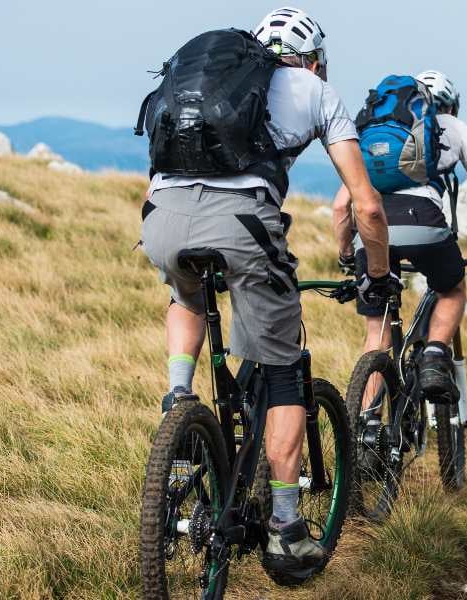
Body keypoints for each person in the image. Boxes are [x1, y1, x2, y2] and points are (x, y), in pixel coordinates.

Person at [140, 7, 394, 577]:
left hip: (161, 220)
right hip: (242, 226)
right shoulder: (314, 90)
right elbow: (367, 205)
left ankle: (178, 398)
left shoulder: (203, 83)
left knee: (186, 297)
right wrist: (375, 274)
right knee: (284, 372)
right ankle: (285, 529)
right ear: (315, 59)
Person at [333, 69, 467, 402]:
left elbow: (339, 208)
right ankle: (436, 354)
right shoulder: (455, 127)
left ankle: (366, 427)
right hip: (425, 221)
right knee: (452, 287)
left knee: (376, 334)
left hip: (372, 229)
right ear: (450, 105)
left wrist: (347, 254)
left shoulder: (375, 132)